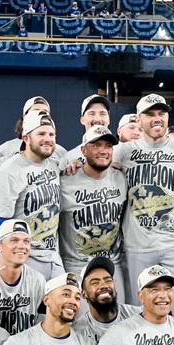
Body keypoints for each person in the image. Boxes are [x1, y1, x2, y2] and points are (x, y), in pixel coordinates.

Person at [112, 94, 174, 321]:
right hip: (138, 246)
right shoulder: (123, 152)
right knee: (138, 314)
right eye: (150, 114)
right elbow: (92, 160)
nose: (157, 119)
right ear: (138, 119)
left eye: (162, 113)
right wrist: (74, 162)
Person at [0, 110, 64, 278]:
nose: (48, 139)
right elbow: (0, 223)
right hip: (24, 257)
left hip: (53, 256)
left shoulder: (54, 165)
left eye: (52, 134)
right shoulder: (8, 171)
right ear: (26, 138)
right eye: (41, 133)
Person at [59, 126, 128, 298]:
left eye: (107, 146)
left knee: (118, 318)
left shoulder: (121, 177)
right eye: (96, 146)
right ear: (83, 150)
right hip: (76, 263)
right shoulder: (65, 180)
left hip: (113, 263)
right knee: (80, 321)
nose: (103, 151)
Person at [0, 219, 45, 336]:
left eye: (26, 241)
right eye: (14, 240)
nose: (21, 246)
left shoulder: (37, 280)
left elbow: (43, 326)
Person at [72, 256, 141, 343]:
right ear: (83, 294)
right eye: (95, 282)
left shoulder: (139, 316)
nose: (104, 285)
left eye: (108, 280)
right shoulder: (77, 333)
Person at [60, 94, 111, 170]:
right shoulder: (69, 158)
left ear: (109, 119)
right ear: (82, 120)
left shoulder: (122, 154)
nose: (97, 119)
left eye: (102, 114)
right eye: (92, 113)